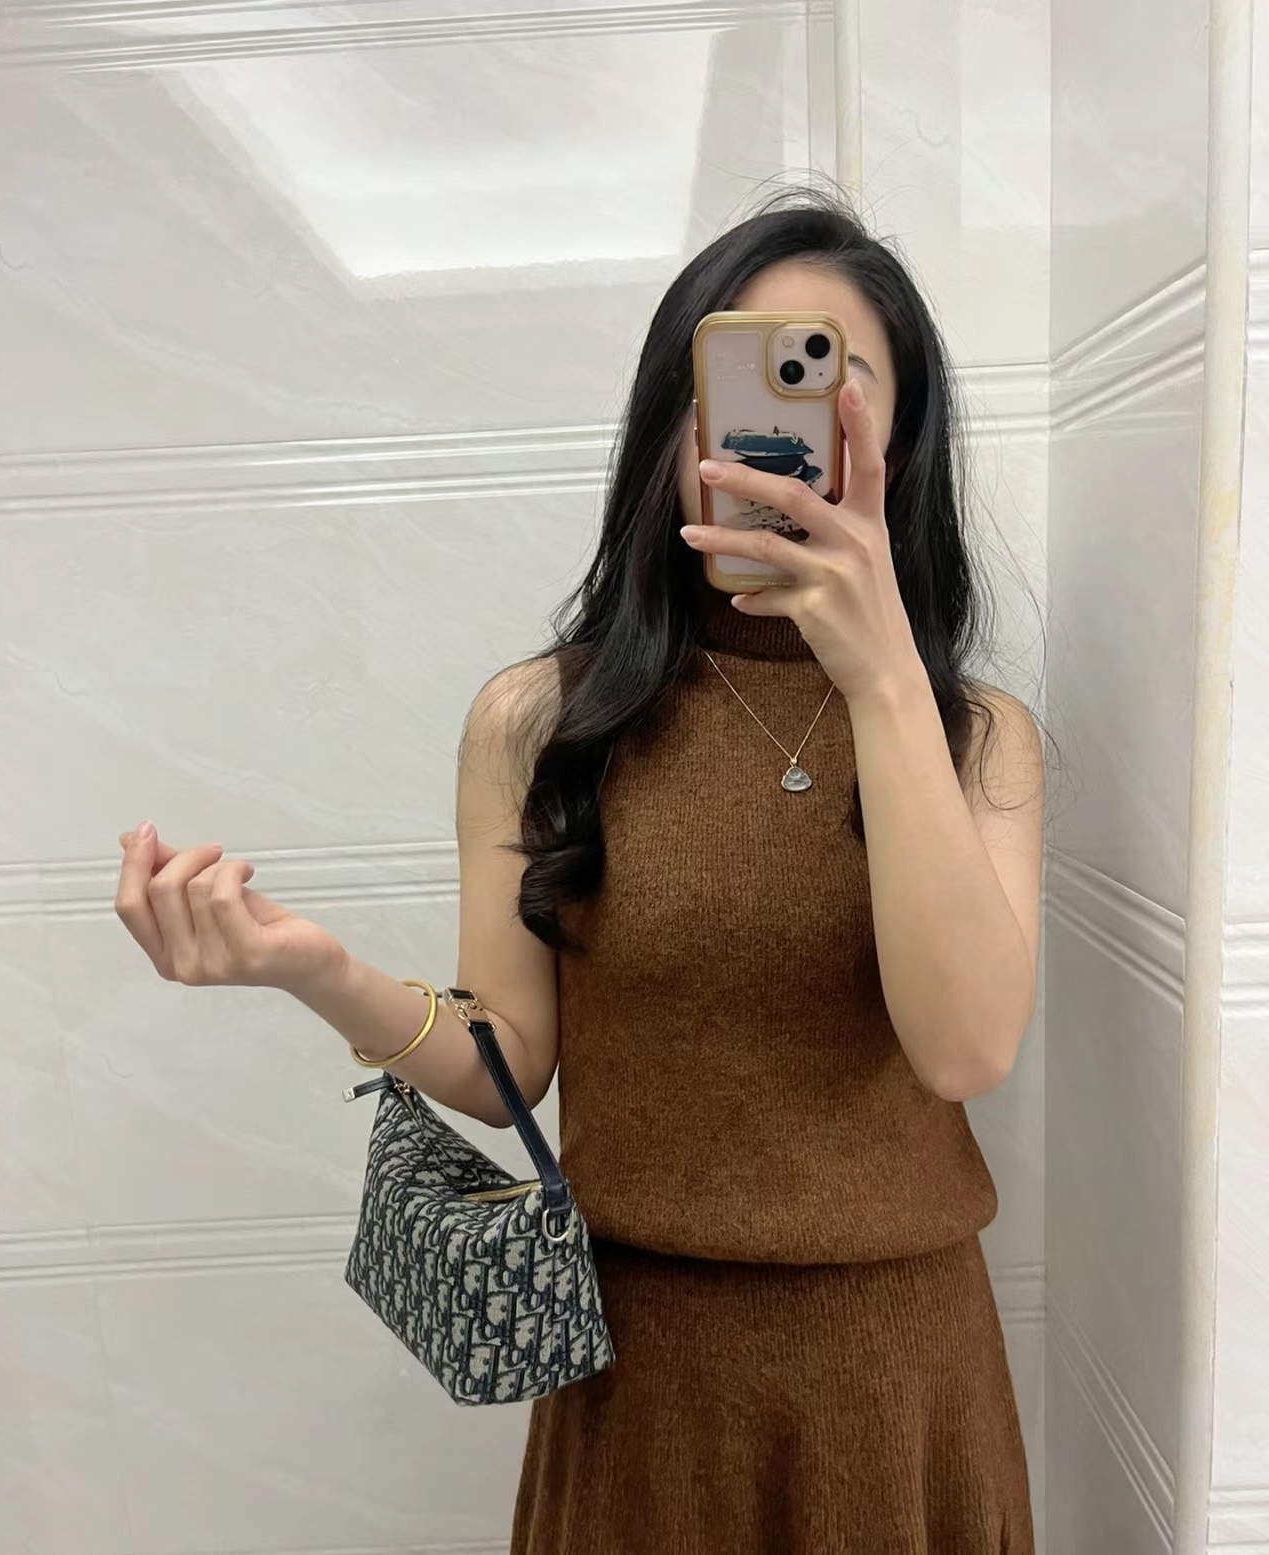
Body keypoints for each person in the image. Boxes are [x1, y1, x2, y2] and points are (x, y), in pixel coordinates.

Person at [114, 184, 1045, 1554]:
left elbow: (965, 1048)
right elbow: (510, 1060)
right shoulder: (542, 721)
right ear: (674, 420)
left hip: (902, 1377)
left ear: (898, 438)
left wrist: (884, 681)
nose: (775, 426)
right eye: (736, 378)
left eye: (825, 378)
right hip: (638, 1384)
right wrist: (313, 970)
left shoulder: (974, 736)